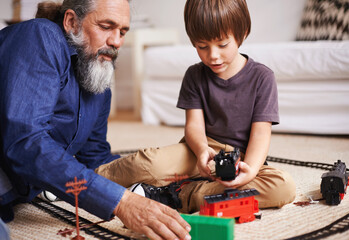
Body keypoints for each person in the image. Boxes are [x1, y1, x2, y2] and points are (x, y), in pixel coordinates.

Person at [0, 0, 192, 239]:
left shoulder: (98, 84)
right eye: (106, 26)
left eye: (122, 31)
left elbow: (95, 159)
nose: (117, 41)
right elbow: (25, 142)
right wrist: (120, 202)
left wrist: (172, 180)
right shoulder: (40, 36)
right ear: (71, 22)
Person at [96, 0, 296, 213]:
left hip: (243, 158)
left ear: (243, 32)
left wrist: (252, 170)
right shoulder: (195, 75)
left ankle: (181, 194)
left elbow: (261, 135)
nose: (213, 55)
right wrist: (202, 151)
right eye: (202, 46)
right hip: (200, 152)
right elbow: (193, 126)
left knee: (283, 187)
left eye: (222, 45)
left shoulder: (262, 77)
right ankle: (89, 178)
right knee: (148, 163)